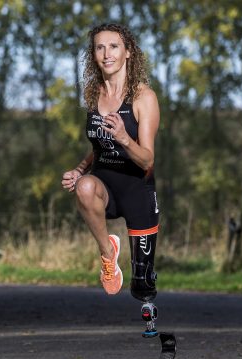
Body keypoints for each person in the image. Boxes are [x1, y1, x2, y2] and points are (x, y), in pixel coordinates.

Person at [61, 22, 160, 304]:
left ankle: (154, 327)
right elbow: (98, 145)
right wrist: (79, 170)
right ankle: (108, 253)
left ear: (128, 52)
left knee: (142, 285)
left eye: (114, 46)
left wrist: (124, 138)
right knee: (83, 187)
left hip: (136, 191)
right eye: (99, 47)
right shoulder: (92, 94)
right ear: (93, 55)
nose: (107, 54)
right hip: (103, 185)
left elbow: (147, 159)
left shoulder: (144, 98)